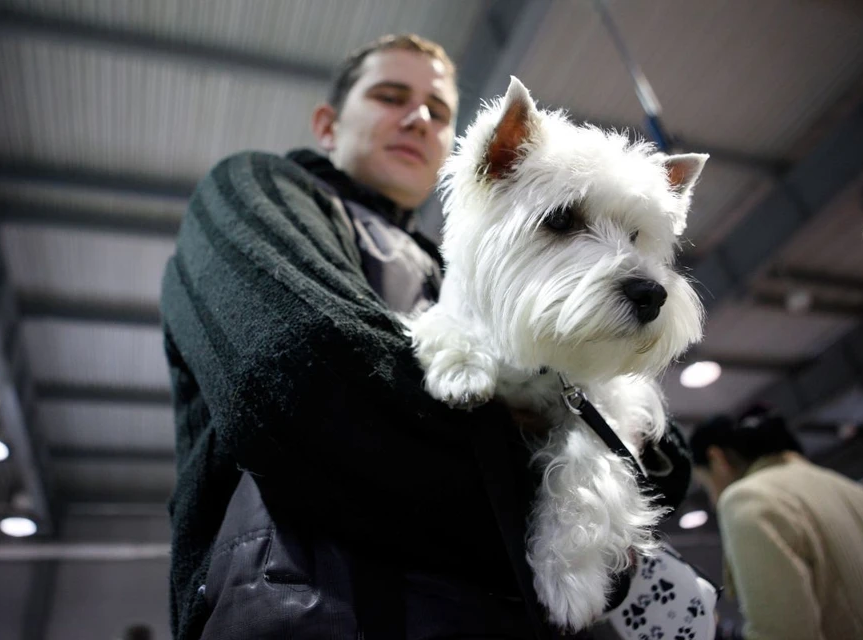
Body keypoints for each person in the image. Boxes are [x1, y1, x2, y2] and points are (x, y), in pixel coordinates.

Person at [161, 32, 691, 640]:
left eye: (438, 111)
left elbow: (664, 464)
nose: (418, 119)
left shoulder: (448, 271)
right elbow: (309, 385)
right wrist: (550, 493)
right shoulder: (256, 190)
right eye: (391, 96)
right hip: (311, 610)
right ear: (328, 124)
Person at [689, 407, 863, 640]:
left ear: (717, 458)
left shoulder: (748, 499)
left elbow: (781, 633)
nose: (713, 501)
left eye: (705, 485)